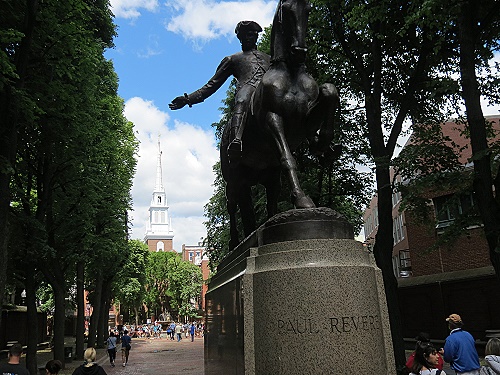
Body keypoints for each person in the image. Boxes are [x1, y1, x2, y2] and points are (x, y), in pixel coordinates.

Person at [169, 20, 270, 160]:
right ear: (240, 38)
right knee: (242, 99)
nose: (248, 38)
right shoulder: (232, 59)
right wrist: (188, 99)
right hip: (248, 87)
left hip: (268, 92)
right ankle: (236, 141)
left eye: (251, 34)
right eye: (245, 35)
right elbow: (212, 84)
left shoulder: (269, 59)